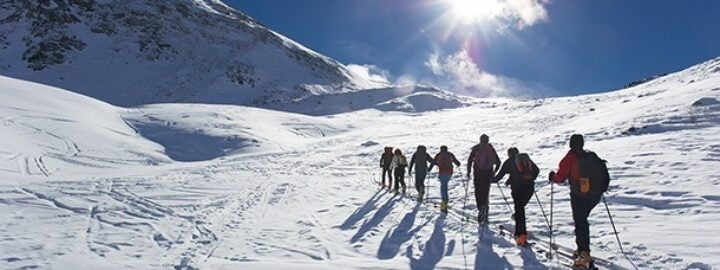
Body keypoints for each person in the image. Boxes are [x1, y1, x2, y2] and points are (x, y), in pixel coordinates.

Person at [549, 134, 605, 267]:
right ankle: (582, 249)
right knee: (582, 221)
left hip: (579, 196)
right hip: (595, 194)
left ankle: (583, 255)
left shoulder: (569, 158)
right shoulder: (591, 156)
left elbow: (560, 178)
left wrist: (552, 177)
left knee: (581, 222)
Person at [494, 147, 539, 246]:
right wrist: (529, 178)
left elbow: (499, 176)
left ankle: (521, 236)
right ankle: (521, 233)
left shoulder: (509, 162)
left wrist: (489, 179)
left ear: (509, 154)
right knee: (520, 209)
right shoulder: (526, 160)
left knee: (520, 211)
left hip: (517, 189)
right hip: (529, 187)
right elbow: (536, 171)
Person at [466, 134, 501, 223]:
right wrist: (494, 172)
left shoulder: (476, 148)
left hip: (478, 173)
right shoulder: (491, 148)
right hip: (488, 174)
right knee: (486, 192)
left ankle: (480, 208)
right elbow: (498, 162)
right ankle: (485, 210)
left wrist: (469, 171)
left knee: (478, 191)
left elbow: (470, 159)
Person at [432, 145, 460, 213]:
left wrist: (430, 168)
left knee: (443, 188)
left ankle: (444, 203)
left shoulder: (439, 154)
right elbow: (457, 162)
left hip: (442, 172)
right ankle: (445, 202)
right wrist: (457, 164)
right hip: (449, 172)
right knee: (445, 186)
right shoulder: (450, 154)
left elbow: (433, 162)